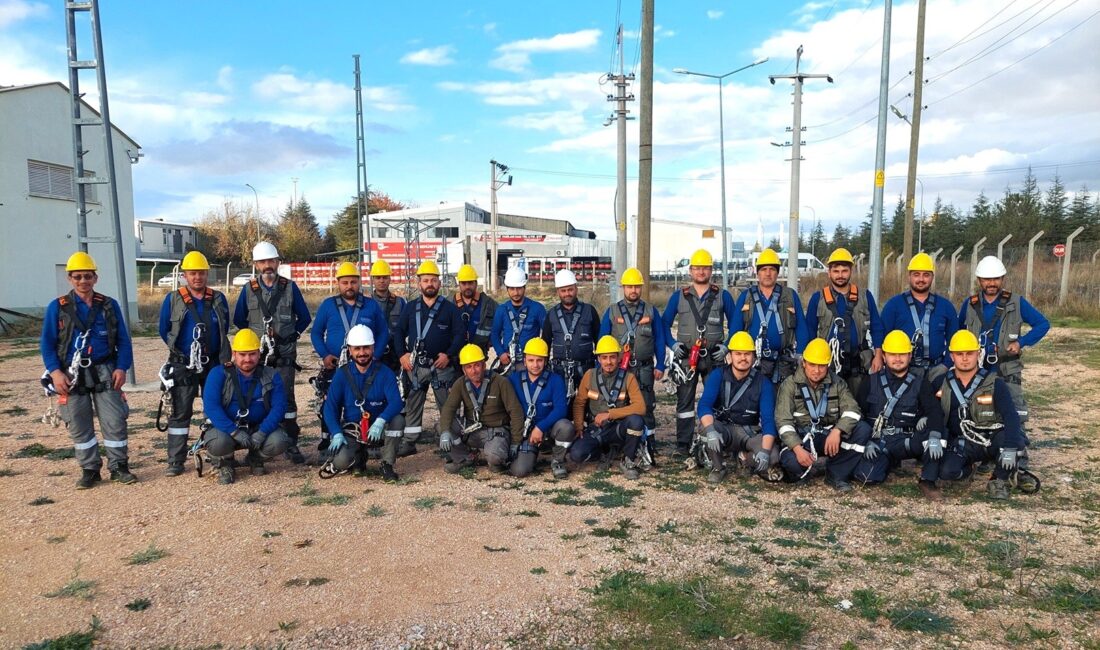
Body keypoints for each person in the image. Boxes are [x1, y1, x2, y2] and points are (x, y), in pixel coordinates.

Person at [40, 251, 136, 489]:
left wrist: (122, 368)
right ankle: (90, 470)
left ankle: (119, 467)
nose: (83, 281)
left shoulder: (109, 306)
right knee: (78, 423)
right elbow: (47, 343)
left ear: (95, 278)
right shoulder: (57, 308)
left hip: (105, 369)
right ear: (70, 279)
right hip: (71, 374)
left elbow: (123, 341)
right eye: (78, 277)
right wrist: (55, 372)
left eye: (88, 276)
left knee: (115, 420)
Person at [958, 255, 1049, 478]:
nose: (991, 284)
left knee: (1015, 413)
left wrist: (1022, 342)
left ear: (1003, 279)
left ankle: (1019, 460)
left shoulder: (1016, 303)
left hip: (1008, 369)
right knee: (982, 414)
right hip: (978, 371)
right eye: (986, 279)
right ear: (979, 280)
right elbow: (958, 333)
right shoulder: (969, 305)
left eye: (996, 279)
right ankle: (989, 456)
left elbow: (1043, 324)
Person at [233, 242, 312, 464]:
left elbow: (304, 317)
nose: (268, 266)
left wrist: (290, 336)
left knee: (286, 398)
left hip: (284, 354)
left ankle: (291, 443)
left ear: (278, 262)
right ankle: (260, 441)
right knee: (258, 397)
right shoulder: (248, 289)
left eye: (271, 261)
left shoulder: (289, 287)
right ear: (256, 265)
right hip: (257, 356)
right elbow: (239, 319)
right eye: (263, 262)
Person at [157, 250, 230, 476]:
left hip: (212, 365)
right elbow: (164, 330)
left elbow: (224, 328)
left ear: (207, 274)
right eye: (192, 273)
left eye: (201, 273)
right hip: (182, 365)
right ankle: (175, 461)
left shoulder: (218, 299)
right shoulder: (173, 300)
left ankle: (217, 454)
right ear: (184, 275)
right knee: (180, 414)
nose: (197, 277)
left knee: (215, 409)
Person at [851, 330, 948, 500]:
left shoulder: (921, 383)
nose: (897, 359)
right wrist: (866, 442)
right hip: (880, 441)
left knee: (939, 432)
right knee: (867, 477)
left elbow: (934, 411)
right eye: (893, 354)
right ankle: (888, 462)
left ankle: (928, 480)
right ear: (884, 356)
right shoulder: (870, 381)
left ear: (910, 356)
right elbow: (858, 414)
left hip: (909, 440)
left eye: (902, 354)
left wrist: (933, 435)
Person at [662, 249, 738, 456]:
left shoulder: (722, 296)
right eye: (697, 268)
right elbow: (664, 323)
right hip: (687, 358)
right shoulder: (679, 296)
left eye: (705, 268)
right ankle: (682, 444)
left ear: (711, 270)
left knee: (717, 400)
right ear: (691, 270)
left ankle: (718, 442)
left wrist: (727, 346)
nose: (701, 271)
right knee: (685, 402)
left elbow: (736, 323)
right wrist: (672, 344)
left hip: (714, 358)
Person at [933, 330, 1025, 500]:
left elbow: (1011, 416)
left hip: (992, 437)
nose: (965, 358)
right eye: (959, 354)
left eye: (970, 353)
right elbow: (931, 410)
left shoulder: (995, 383)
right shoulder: (941, 382)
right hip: (963, 442)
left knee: (1016, 443)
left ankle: (998, 478)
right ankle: (968, 469)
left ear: (978, 354)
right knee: (946, 472)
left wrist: (1010, 448)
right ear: (952, 356)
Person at [309, 261, 389, 450]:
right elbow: (316, 333)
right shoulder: (328, 305)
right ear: (338, 283)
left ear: (359, 282)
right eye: (345, 282)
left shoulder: (371, 305)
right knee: (330, 402)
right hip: (336, 365)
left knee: (366, 400)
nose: (349, 286)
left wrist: (375, 355)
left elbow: (383, 333)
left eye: (353, 282)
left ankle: (368, 439)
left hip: (364, 364)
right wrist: (325, 355)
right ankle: (328, 439)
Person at [774, 338, 870, 492]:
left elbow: (853, 409)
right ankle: (812, 468)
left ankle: (836, 475)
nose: (816, 370)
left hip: (829, 436)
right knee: (791, 462)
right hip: (803, 438)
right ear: (803, 362)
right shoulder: (790, 385)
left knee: (862, 429)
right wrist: (797, 449)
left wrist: (838, 431)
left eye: (821, 365)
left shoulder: (838, 383)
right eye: (812, 364)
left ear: (828, 365)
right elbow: (783, 421)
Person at [393, 260, 464, 456]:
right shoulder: (411, 308)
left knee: (447, 405)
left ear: (439, 283)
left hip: (442, 366)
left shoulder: (449, 309)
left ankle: (449, 440)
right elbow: (399, 332)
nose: (430, 284)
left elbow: (460, 334)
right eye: (426, 280)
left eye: (433, 280)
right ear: (419, 284)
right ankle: (409, 442)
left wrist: (448, 355)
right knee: (413, 404)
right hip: (416, 367)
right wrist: (402, 355)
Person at [202, 330, 290, 484]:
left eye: (252, 354)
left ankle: (255, 458)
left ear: (259, 354)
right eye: (242, 355)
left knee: (279, 441)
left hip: (257, 428)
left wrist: (263, 432)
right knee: (218, 442)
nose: (247, 359)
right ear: (234, 354)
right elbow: (212, 408)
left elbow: (279, 407)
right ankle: (225, 463)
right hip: (227, 429)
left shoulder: (271, 374)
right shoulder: (218, 374)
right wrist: (234, 431)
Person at [321, 325, 404, 482]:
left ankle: (387, 464)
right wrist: (336, 433)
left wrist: (381, 420)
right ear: (350, 350)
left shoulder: (385, 373)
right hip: (354, 428)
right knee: (341, 461)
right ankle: (358, 457)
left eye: (366, 348)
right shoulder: (341, 375)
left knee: (398, 420)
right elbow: (330, 408)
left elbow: (396, 402)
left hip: (378, 427)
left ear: (373, 348)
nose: (362, 353)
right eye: (357, 348)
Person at [695, 332, 780, 484]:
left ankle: (744, 458)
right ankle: (718, 467)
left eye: (747, 354)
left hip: (748, 432)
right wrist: (711, 430)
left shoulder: (763, 383)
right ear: (729, 356)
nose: (743, 358)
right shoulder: (718, 375)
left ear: (754, 357)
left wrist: (765, 451)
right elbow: (704, 405)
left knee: (773, 456)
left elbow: (768, 420)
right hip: (723, 429)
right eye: (738, 354)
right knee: (705, 427)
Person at [599, 267, 669, 448]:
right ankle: (622, 441)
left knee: (646, 405)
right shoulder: (612, 312)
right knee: (620, 403)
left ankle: (649, 442)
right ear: (623, 287)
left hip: (644, 369)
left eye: (637, 287)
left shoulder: (651, 311)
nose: (633, 291)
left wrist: (660, 364)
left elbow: (659, 339)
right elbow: (602, 341)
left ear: (641, 288)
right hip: (619, 370)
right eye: (630, 287)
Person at [805, 248, 884, 397]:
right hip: (827, 366)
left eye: (844, 271)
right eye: (836, 271)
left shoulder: (865, 297)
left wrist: (878, 355)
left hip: (858, 365)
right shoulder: (818, 299)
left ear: (851, 271)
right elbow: (809, 332)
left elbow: (877, 328)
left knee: (858, 408)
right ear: (829, 272)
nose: (840, 275)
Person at [438, 344, 525, 474]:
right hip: (472, 429)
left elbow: (516, 412)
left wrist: (516, 442)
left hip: (496, 430)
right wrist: (445, 432)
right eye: (469, 367)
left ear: (484, 365)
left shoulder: (501, 382)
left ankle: (497, 459)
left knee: (495, 459)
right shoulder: (460, 383)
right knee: (441, 426)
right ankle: (465, 458)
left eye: (477, 365)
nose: (474, 370)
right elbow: (448, 409)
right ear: (463, 370)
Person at [569, 336, 648, 479]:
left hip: (618, 428)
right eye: (604, 357)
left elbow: (641, 407)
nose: (609, 362)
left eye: (612, 357)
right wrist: (579, 426)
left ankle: (628, 460)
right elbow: (579, 403)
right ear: (598, 359)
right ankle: (605, 453)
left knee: (636, 421)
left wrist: (610, 414)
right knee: (576, 454)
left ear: (619, 358)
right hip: (597, 428)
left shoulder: (628, 378)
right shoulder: (589, 375)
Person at [731, 248, 808, 386]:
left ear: (777, 272)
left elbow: (801, 327)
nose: (768, 273)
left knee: (782, 401)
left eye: (772, 269)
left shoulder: (790, 296)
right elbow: (735, 330)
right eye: (763, 269)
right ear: (757, 272)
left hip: (783, 362)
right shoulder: (746, 297)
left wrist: (801, 353)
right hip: (753, 362)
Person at [879, 253, 957, 382]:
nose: (921, 279)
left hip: (936, 371)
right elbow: (882, 339)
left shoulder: (946, 307)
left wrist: (946, 365)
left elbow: (954, 340)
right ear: (909, 276)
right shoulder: (893, 305)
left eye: (926, 275)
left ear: (932, 277)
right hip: (903, 372)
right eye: (916, 274)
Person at [508, 338, 573, 478]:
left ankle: (557, 460)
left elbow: (561, 409)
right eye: (531, 360)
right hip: (526, 432)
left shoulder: (555, 380)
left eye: (540, 360)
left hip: (548, 429)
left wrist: (540, 428)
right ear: (524, 361)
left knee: (566, 426)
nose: (535, 365)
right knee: (520, 471)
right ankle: (528, 453)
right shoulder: (514, 379)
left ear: (546, 361)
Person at [542, 269, 600, 401]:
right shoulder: (551, 315)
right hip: (560, 371)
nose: (567, 293)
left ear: (576, 288)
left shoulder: (589, 311)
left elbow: (600, 342)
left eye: (570, 289)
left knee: (590, 402)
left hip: (586, 369)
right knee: (563, 405)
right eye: (563, 290)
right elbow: (545, 344)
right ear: (558, 292)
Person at [489, 266, 546, 375]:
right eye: (512, 288)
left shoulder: (537, 309)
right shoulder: (501, 310)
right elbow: (495, 335)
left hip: (530, 363)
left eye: (519, 288)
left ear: (524, 287)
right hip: (508, 362)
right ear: (507, 288)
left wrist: (539, 355)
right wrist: (501, 353)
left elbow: (547, 335)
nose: (516, 292)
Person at [369, 258, 406, 374]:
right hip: (372, 352)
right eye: (378, 278)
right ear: (373, 280)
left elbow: (406, 328)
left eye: (385, 277)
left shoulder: (400, 302)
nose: (381, 281)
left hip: (394, 354)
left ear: (390, 279)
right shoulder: (366, 303)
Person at [453, 264, 498, 356]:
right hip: (454, 355)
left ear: (476, 283)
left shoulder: (489, 304)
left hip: (479, 356)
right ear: (459, 284)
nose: (467, 287)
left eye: (470, 283)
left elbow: (502, 323)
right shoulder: (450, 302)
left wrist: (492, 341)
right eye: (464, 283)